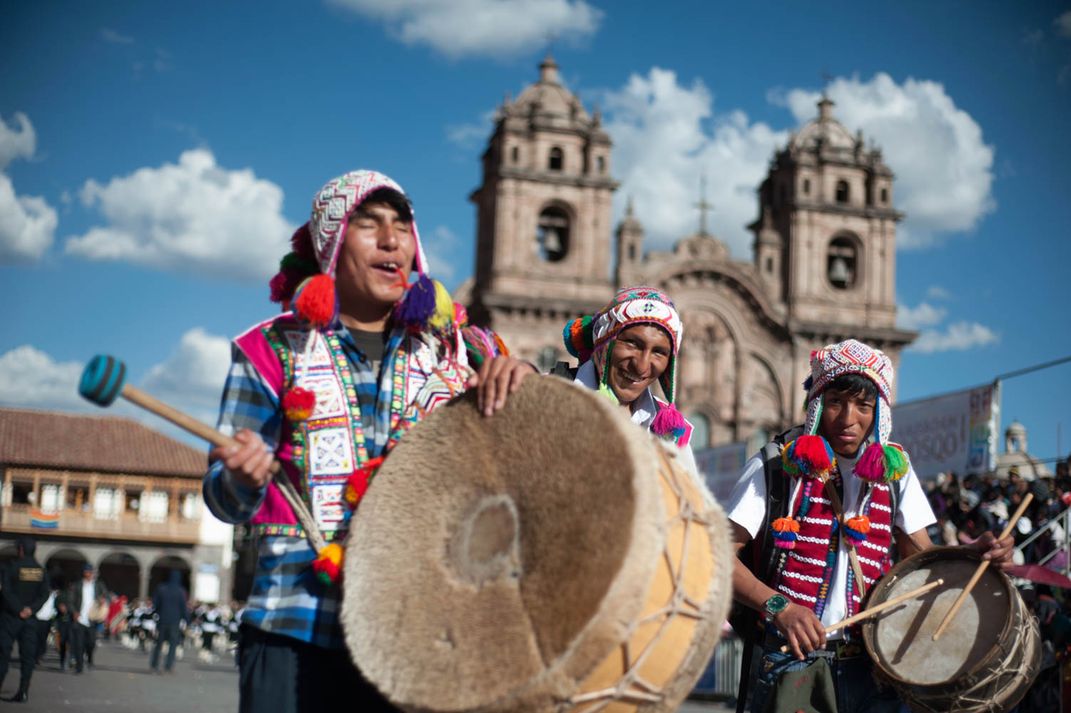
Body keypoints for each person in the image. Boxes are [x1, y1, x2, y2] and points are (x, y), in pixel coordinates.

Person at [203, 169, 533, 713]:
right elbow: (222, 499)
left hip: (413, 637)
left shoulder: (457, 356)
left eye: (403, 226)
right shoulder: (270, 350)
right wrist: (239, 478)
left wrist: (518, 382)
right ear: (333, 243)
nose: (392, 240)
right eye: (370, 225)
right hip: (294, 626)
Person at [726, 339, 1014, 713]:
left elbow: (921, 559)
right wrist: (780, 606)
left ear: (879, 410)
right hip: (788, 661)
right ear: (816, 404)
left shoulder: (896, 472)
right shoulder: (775, 465)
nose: (848, 419)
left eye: (863, 406)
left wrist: (974, 555)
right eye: (835, 403)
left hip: (873, 669)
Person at [558, 285, 698, 473]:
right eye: (632, 343)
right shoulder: (548, 398)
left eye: (659, 352)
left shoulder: (671, 434)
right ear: (603, 343)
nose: (641, 366)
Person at [0, 537, 50, 703]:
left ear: (20, 550)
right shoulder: (41, 571)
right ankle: (23, 692)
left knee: (3, 654)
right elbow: (44, 594)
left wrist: (18, 609)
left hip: (10, 618)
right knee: (28, 657)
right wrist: (30, 609)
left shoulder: (11, 568)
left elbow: (6, 592)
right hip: (30, 620)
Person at [66, 563, 107, 673]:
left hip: (92, 619)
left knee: (91, 643)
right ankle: (79, 667)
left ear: (93, 573)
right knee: (79, 644)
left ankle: (89, 658)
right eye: (86, 572)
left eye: (90, 572)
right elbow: (70, 601)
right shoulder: (77, 585)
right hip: (80, 619)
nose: (88, 574)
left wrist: (103, 599)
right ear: (83, 573)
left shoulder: (98, 585)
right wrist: (74, 612)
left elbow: (106, 595)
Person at [150, 569, 188, 673]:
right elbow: (183, 607)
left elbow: (155, 604)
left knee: (158, 644)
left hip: (162, 620)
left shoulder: (161, 588)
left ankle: (155, 664)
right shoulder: (181, 591)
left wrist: (157, 614)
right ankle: (169, 665)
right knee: (172, 645)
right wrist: (187, 620)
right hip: (175, 622)